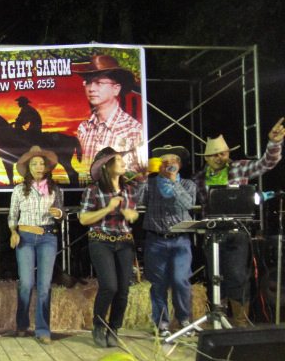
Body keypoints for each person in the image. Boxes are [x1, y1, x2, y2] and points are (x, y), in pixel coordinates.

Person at [193, 118, 284, 327]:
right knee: (215, 277)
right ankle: (220, 319)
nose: (219, 157)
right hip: (212, 233)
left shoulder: (238, 168)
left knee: (236, 275)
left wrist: (274, 143)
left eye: (223, 154)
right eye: (215, 154)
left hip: (236, 232)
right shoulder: (199, 178)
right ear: (206, 158)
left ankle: (240, 322)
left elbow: (266, 163)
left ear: (228, 154)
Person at [79, 147, 139, 348]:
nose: (123, 162)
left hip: (125, 242)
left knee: (123, 290)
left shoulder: (128, 189)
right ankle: (98, 325)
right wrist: (108, 208)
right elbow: (84, 219)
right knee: (109, 286)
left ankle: (114, 329)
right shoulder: (93, 190)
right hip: (101, 241)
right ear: (106, 166)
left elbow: (134, 214)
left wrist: (132, 215)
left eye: (122, 159)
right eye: (118, 159)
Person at [137, 144, 196, 337]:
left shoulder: (187, 184)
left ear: (179, 164)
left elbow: (188, 204)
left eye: (173, 161)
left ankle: (184, 319)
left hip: (180, 240)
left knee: (180, 280)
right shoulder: (150, 184)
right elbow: (136, 201)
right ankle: (162, 322)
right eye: (165, 161)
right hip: (156, 240)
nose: (169, 164)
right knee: (159, 283)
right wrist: (142, 178)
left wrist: (174, 183)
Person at [8, 146, 65, 344]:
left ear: (47, 167)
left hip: (48, 237)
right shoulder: (19, 190)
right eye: (34, 164)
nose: (39, 167)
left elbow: (62, 214)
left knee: (44, 285)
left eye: (42, 163)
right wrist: (13, 232)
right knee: (26, 283)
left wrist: (59, 214)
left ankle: (42, 329)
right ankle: (22, 324)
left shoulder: (55, 189)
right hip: (25, 237)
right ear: (28, 168)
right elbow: (12, 215)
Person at [76, 54, 145, 174]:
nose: (91, 88)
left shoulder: (134, 130)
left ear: (116, 89)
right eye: (88, 82)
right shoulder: (83, 128)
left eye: (99, 83)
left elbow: (138, 174)